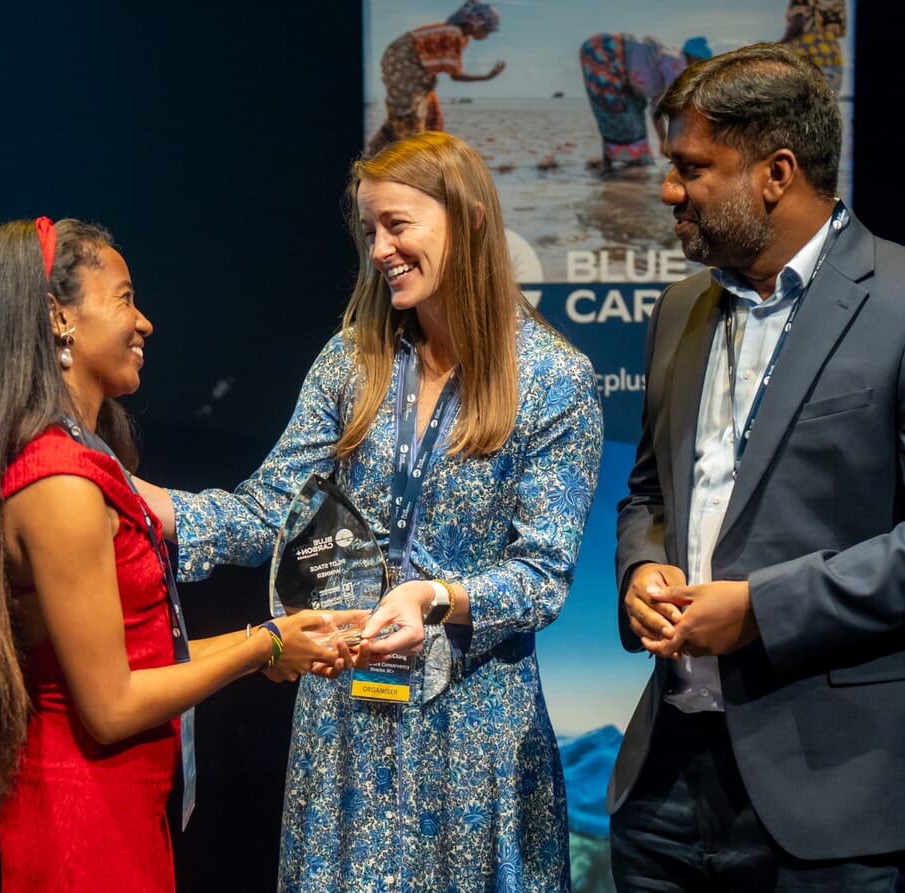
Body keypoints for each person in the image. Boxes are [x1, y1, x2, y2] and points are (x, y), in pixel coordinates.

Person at [608, 44, 905, 891]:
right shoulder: (682, 306)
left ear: (777, 172)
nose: (669, 190)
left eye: (692, 167)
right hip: (669, 778)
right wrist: (641, 565)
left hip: (847, 786)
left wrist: (763, 606)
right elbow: (649, 491)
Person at [142, 131, 603, 890]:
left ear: (468, 221)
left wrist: (438, 597)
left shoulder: (555, 380)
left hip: (473, 733)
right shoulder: (350, 361)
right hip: (345, 722)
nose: (381, 249)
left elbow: (543, 575)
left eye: (398, 225)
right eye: (369, 231)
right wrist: (158, 507)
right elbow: (270, 511)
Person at [0, 218, 343, 892]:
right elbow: (111, 704)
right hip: (81, 827)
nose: (144, 322)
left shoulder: (84, 460)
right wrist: (261, 645)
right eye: (123, 298)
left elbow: (145, 659)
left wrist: (275, 644)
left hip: (120, 812)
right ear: (60, 317)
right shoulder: (57, 478)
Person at [366, 1, 505, 154]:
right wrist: (487, 77)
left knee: (428, 116)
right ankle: (409, 164)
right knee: (410, 118)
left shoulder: (459, 36)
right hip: (402, 64)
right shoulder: (453, 34)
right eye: (487, 29)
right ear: (475, 22)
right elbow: (455, 75)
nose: (487, 35)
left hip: (413, 69)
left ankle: (373, 153)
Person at [579, 34, 711, 173]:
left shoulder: (670, 59)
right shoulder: (676, 67)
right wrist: (667, 141)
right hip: (604, 53)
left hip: (610, 52)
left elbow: (657, 108)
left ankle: (615, 165)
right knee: (616, 112)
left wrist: (663, 140)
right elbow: (670, 109)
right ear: (696, 59)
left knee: (624, 112)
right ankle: (620, 167)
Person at [781, 0, 848, 93]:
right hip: (832, 56)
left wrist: (779, 45)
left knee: (803, 103)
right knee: (828, 102)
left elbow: (798, 22)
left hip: (807, 56)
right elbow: (838, 29)